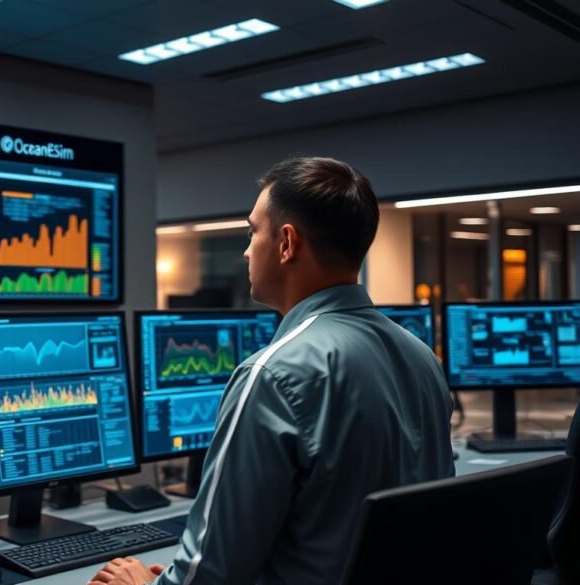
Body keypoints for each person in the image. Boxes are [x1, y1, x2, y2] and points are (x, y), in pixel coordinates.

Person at [89, 157, 455, 585]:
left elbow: (211, 576)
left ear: (286, 243)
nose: (246, 250)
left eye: (252, 231)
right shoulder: (421, 356)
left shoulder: (273, 374)